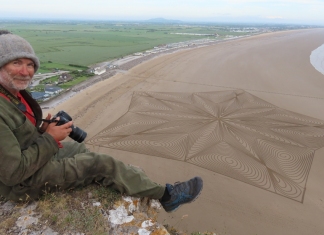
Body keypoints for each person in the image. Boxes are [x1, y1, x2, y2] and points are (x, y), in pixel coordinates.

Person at [0, 30, 203, 213]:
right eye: (16, 63)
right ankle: (167, 196)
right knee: (101, 164)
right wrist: (50, 139)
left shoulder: (13, 94)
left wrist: (43, 131)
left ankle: (85, 177)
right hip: (20, 184)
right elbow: (12, 173)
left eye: (29, 64)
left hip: (31, 161)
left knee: (80, 151)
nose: (25, 71)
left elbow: (18, 139)